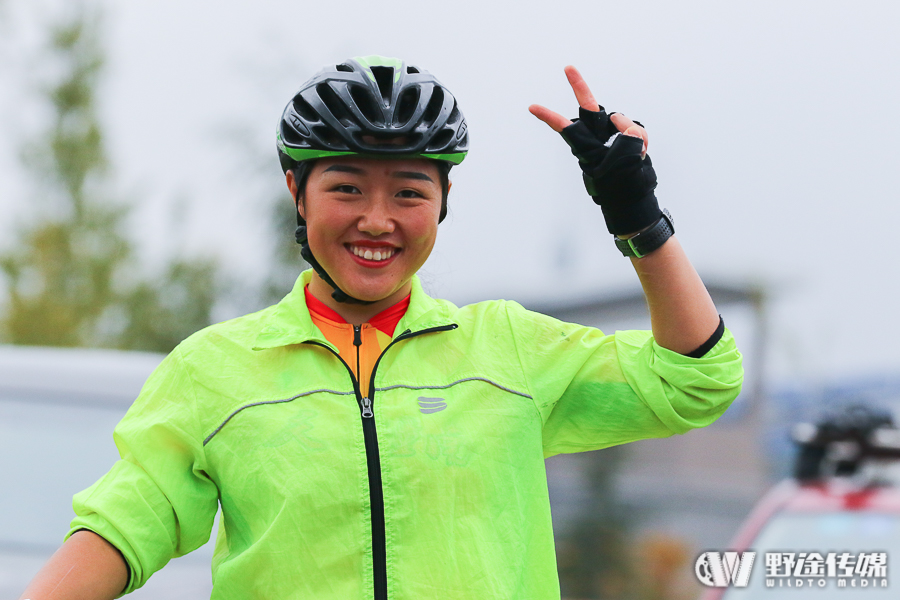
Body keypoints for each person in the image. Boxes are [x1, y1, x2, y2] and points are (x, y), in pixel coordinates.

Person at [20, 56, 742, 600]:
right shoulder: (215, 369)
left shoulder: (508, 350)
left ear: (445, 198)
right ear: (295, 192)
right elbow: (122, 526)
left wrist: (637, 218)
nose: (376, 219)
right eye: (346, 187)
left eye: (408, 191)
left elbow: (697, 379)